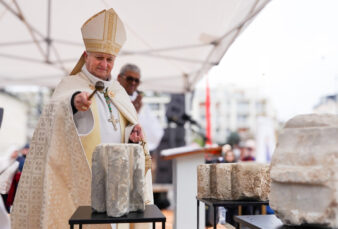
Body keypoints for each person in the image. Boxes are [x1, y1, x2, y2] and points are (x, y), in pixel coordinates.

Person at [11, 9, 153, 229]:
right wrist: (74, 103)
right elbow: (55, 112)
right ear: (86, 55)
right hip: (83, 185)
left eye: (109, 59)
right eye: (99, 58)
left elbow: (124, 129)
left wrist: (132, 138)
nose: (104, 64)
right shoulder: (70, 87)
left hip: (118, 185)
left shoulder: (118, 91)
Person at [117, 64, 164, 151]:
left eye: (136, 80)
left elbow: (155, 133)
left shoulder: (140, 103)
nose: (133, 83)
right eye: (130, 79)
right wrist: (133, 113)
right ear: (119, 77)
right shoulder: (112, 97)